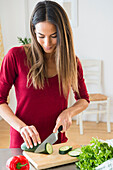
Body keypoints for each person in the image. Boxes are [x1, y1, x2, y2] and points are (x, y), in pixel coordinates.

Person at [0, 0, 89, 149]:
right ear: (34, 31)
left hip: (56, 143)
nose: (47, 43)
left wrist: (68, 112)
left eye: (54, 36)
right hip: (22, 142)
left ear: (63, 33)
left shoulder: (72, 62)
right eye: (41, 35)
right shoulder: (15, 56)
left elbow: (84, 99)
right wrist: (22, 127)